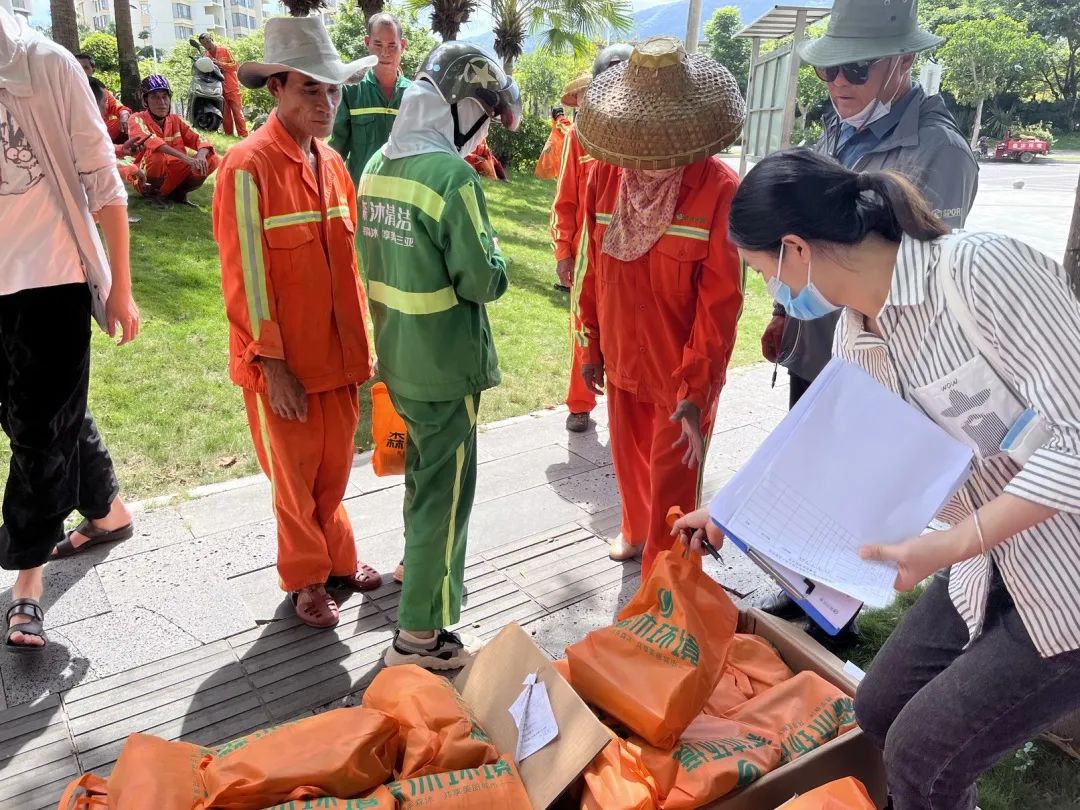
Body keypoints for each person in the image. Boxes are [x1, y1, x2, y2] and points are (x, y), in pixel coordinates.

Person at [676, 147, 1080, 810]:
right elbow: (830, 458)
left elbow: (1076, 435)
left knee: (921, 755)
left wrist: (950, 544)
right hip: (986, 565)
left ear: (795, 249)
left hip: (1065, 577)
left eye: (763, 272)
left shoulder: (979, 272)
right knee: (878, 708)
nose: (771, 291)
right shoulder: (859, 335)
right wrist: (730, 513)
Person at [756, 0, 978, 631]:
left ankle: (838, 608)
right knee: (813, 470)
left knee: (862, 484)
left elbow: (924, 271)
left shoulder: (939, 151)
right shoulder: (834, 132)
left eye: (856, 69)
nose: (838, 84)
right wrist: (784, 312)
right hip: (818, 340)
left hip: (882, 353)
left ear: (902, 62)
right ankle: (801, 585)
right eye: (828, 70)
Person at [212, 14, 381, 630]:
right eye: (311, 88)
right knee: (294, 477)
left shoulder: (333, 163)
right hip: (284, 365)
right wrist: (272, 365)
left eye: (332, 89)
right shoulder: (246, 166)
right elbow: (245, 278)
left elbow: (350, 264)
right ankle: (306, 579)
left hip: (340, 356)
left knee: (334, 469)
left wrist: (365, 349)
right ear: (276, 88)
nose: (326, 102)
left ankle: (339, 560)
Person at [358, 41, 519, 669]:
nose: (482, 131)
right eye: (482, 114)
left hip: (399, 361)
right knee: (444, 499)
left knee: (422, 485)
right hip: (447, 369)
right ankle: (419, 639)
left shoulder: (378, 165)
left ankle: (415, 579)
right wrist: (497, 256)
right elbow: (483, 280)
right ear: (458, 108)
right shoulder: (452, 178)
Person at [575, 37, 745, 571]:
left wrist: (696, 391)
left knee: (673, 483)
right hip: (623, 355)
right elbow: (590, 271)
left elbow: (721, 305)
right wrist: (591, 347)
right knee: (628, 459)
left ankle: (664, 577)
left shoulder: (719, 190)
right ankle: (633, 530)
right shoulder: (604, 177)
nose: (646, 160)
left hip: (680, 374)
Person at [0, 3, 140, 652]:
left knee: (36, 432)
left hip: (50, 280)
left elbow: (105, 184)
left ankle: (27, 580)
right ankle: (108, 511)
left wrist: (121, 289)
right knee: (41, 414)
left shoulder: (47, 66)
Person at [550, 44, 632, 434]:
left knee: (629, 329)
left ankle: (627, 406)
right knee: (586, 325)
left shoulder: (648, 132)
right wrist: (563, 252)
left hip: (634, 254)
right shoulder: (579, 135)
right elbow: (565, 200)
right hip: (588, 254)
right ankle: (580, 403)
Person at [329, 11, 408, 186]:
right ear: (367, 42)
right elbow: (336, 150)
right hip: (361, 194)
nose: (384, 53)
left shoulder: (414, 94)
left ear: (402, 45)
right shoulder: (350, 91)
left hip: (404, 194)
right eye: (378, 44)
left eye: (392, 45)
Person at [128, 75, 220, 205]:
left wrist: (201, 156)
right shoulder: (136, 118)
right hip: (144, 175)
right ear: (145, 101)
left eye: (164, 96)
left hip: (174, 172)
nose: (162, 102)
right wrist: (186, 158)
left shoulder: (176, 119)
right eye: (155, 97)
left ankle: (179, 194)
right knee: (157, 156)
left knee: (212, 158)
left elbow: (201, 139)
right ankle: (152, 194)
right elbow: (152, 143)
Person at [89, 77, 146, 187]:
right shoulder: (80, 131)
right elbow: (97, 165)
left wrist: (122, 149)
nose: (107, 106)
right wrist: (131, 169)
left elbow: (98, 150)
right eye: (105, 101)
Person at [198, 33, 248, 138]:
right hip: (218, 90)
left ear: (212, 39)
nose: (207, 45)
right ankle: (229, 136)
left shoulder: (224, 50)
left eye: (208, 41)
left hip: (232, 87)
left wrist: (220, 64)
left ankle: (243, 136)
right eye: (204, 44)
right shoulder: (206, 57)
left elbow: (235, 66)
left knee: (238, 113)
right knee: (225, 115)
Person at [75, 51, 130, 144]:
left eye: (85, 67)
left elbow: (121, 109)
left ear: (93, 70)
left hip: (102, 136)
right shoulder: (66, 92)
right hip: (79, 137)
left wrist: (124, 116)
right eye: (77, 67)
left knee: (132, 121)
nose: (81, 71)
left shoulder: (102, 91)